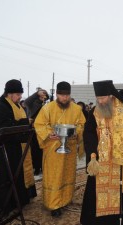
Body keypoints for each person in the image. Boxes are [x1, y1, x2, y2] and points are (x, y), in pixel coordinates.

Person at [80, 80, 123, 225]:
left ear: (110, 96)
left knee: (122, 190)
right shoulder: (95, 111)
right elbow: (88, 132)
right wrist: (92, 153)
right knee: (96, 190)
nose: (100, 101)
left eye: (102, 98)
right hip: (100, 158)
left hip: (118, 159)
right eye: (98, 99)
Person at [0, 79, 37, 218]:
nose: (20, 97)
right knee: (4, 177)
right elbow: (4, 127)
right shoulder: (0, 107)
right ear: (9, 94)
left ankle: (17, 202)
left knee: (17, 176)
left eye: (20, 94)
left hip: (17, 148)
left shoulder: (18, 106)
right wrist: (25, 122)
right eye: (18, 94)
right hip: (3, 150)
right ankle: (1, 208)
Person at [34, 81, 85, 217]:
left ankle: (65, 199)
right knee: (54, 176)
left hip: (70, 148)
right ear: (57, 94)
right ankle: (53, 204)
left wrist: (76, 132)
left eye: (67, 95)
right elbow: (39, 124)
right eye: (62, 95)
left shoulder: (76, 109)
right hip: (53, 149)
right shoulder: (47, 108)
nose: (65, 98)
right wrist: (49, 133)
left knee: (67, 174)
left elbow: (81, 124)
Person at [24, 88, 49, 175]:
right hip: (34, 130)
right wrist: (37, 93)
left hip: (44, 130)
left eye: (44, 96)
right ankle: (36, 167)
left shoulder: (46, 106)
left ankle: (43, 166)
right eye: (41, 96)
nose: (43, 98)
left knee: (43, 149)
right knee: (35, 150)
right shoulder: (32, 104)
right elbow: (26, 102)